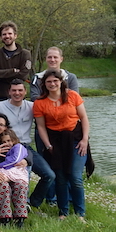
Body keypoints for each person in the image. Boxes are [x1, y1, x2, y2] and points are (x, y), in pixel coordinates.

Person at [0, 79, 56, 210]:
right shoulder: (0, 106)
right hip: (8, 147)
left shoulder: (32, 106)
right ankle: (20, 206)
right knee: (22, 174)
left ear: (25, 91)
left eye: (20, 90)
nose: (17, 93)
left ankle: (32, 203)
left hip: (25, 147)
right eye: (14, 90)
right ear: (9, 92)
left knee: (49, 175)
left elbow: (47, 118)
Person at [33, 69, 90, 221]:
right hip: (55, 143)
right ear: (44, 84)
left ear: (61, 82)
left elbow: (84, 118)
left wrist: (85, 140)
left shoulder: (72, 95)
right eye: (49, 81)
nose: (52, 84)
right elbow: (41, 127)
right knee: (61, 178)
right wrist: (48, 146)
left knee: (75, 177)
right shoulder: (40, 102)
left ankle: (80, 214)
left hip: (76, 140)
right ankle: (63, 212)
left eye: (55, 81)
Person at [0, 21, 32, 103]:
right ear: (0, 37)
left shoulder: (25, 54)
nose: (7, 36)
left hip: (18, 97)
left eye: (10, 33)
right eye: (4, 34)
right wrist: (13, 71)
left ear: (15, 35)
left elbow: (23, 76)